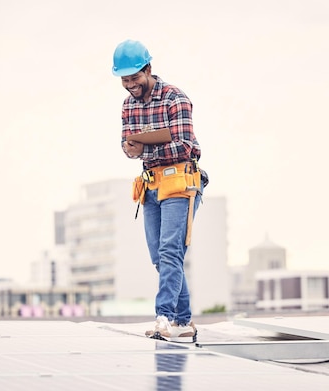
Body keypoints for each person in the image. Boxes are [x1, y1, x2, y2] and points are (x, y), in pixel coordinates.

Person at [112, 39, 207, 343]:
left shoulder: (174, 98)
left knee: (170, 251)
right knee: (160, 257)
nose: (130, 85)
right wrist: (130, 148)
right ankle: (184, 321)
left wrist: (146, 144)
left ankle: (163, 318)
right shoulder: (128, 105)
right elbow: (128, 145)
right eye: (125, 80)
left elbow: (186, 146)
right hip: (151, 185)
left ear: (148, 70)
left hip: (180, 181)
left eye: (134, 78)